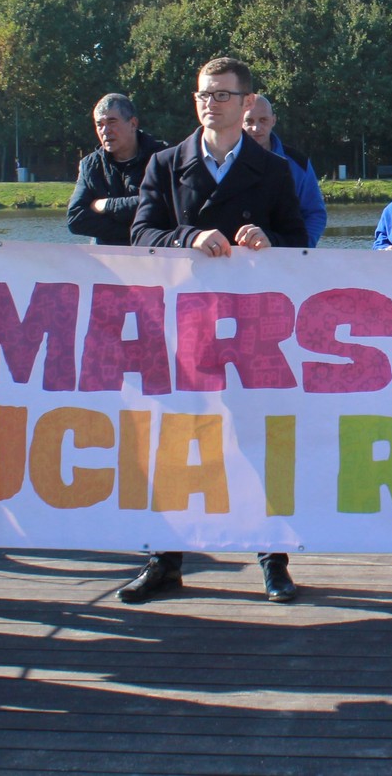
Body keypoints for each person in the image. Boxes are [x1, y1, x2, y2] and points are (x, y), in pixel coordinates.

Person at [125, 57, 309, 603]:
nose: (211, 103)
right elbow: (141, 234)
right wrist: (189, 236)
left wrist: (270, 242)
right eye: (204, 94)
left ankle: (273, 559)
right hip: (183, 329)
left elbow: (300, 244)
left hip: (253, 331)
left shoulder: (274, 170)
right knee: (176, 440)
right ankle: (164, 560)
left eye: (223, 95)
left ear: (246, 102)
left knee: (259, 442)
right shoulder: (164, 164)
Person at [66, 93, 168, 245]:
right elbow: (76, 219)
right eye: (99, 124)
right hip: (108, 256)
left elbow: (162, 205)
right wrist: (138, 231)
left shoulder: (163, 158)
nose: (105, 131)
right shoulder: (91, 165)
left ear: (133, 124)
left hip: (155, 253)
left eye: (112, 122)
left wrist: (106, 205)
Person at [243, 94, 327, 246]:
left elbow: (315, 214)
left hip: (284, 254)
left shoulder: (298, 163)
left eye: (263, 120)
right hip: (237, 253)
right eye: (249, 121)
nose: (256, 128)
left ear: (273, 120)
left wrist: (302, 249)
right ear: (239, 122)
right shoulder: (225, 160)